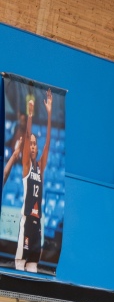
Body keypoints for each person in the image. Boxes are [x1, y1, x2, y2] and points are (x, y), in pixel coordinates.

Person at [15, 90, 52, 272]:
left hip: (38, 226)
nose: (32, 146)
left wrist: (49, 113)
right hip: (27, 221)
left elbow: (48, 143)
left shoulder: (40, 167)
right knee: (19, 267)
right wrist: (30, 115)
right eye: (30, 143)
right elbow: (28, 133)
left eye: (34, 143)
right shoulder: (26, 166)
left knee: (33, 270)